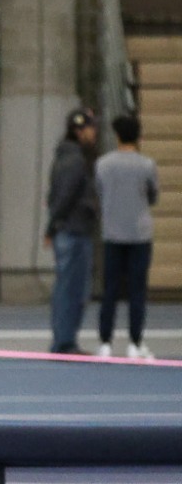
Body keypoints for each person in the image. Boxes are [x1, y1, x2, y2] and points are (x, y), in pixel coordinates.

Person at [96, 114, 159, 360]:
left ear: (117, 135)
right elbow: (153, 196)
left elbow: (100, 192)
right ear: (138, 136)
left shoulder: (103, 164)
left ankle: (105, 342)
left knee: (110, 290)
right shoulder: (147, 165)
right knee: (137, 290)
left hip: (113, 232)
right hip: (139, 234)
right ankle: (134, 342)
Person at [46, 107, 101, 355]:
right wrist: (52, 226)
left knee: (68, 288)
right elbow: (63, 197)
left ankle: (64, 339)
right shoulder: (75, 161)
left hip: (71, 229)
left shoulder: (65, 157)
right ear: (79, 130)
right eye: (90, 128)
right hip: (74, 231)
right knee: (73, 290)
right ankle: (64, 341)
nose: (94, 132)